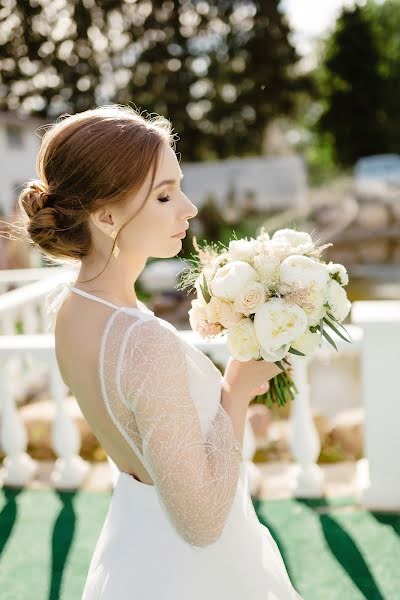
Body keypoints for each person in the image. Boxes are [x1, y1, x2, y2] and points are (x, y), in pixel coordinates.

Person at [15, 105, 303, 599]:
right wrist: (235, 392)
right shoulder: (144, 342)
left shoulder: (70, 308)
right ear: (105, 216)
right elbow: (203, 523)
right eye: (164, 195)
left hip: (135, 548)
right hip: (191, 573)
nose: (188, 208)